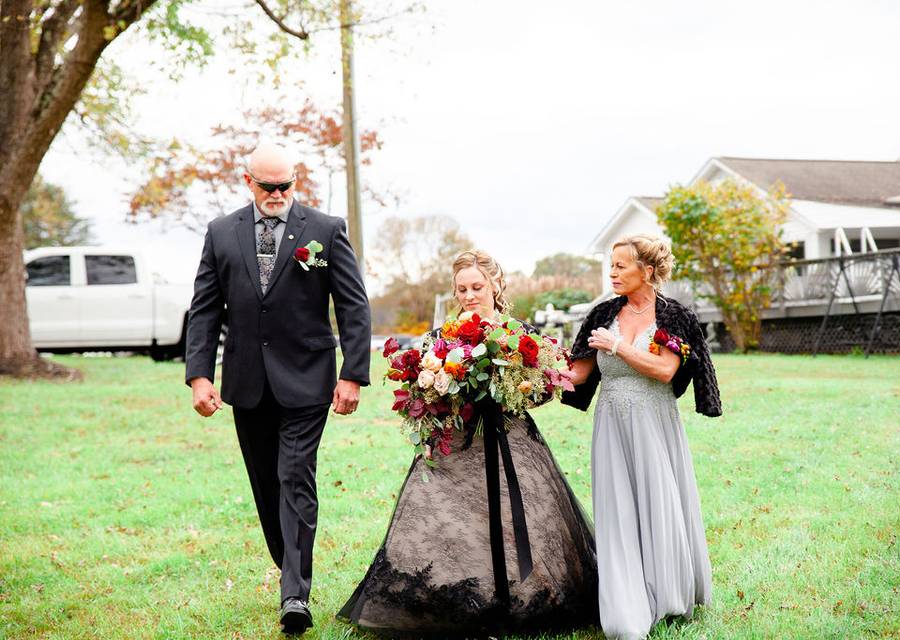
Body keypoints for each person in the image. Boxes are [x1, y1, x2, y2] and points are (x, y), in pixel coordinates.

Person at [338, 249, 598, 638]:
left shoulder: (518, 333)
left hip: (510, 440)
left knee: (515, 521)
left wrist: (519, 388)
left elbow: (545, 388)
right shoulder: (440, 339)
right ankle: (460, 599)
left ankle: (517, 598)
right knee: (453, 521)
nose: (469, 295)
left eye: (477, 286)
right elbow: (423, 393)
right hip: (457, 443)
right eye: (462, 288)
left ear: (495, 285)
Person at [184, 142, 371, 634]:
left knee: (294, 476)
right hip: (245, 382)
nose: (278, 194)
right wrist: (200, 374)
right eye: (268, 186)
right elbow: (205, 309)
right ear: (248, 181)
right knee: (267, 486)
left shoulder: (326, 230)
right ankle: (288, 559)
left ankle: (295, 595)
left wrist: (353, 372)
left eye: (286, 184)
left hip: (308, 379)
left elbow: (353, 305)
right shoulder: (221, 233)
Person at [564, 234, 721, 640]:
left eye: (621, 265)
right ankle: (624, 604)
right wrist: (525, 366)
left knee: (659, 501)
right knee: (617, 508)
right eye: (610, 265)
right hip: (611, 424)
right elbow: (577, 374)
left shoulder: (674, 316)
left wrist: (617, 345)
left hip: (654, 422)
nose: (612, 272)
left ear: (648, 271)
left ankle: (667, 594)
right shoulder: (602, 313)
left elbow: (665, 370)